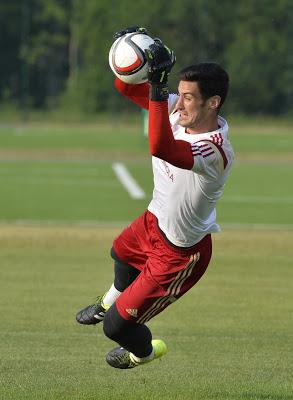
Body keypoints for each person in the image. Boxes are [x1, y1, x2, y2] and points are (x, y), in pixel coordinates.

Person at [76, 26, 234, 369]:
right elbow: (123, 83)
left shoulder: (214, 150)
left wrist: (159, 89)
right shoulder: (179, 109)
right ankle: (107, 301)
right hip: (153, 221)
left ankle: (144, 353)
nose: (182, 101)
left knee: (116, 327)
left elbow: (160, 147)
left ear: (213, 102)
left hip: (180, 254)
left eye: (189, 96)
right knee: (120, 253)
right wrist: (135, 50)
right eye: (180, 93)